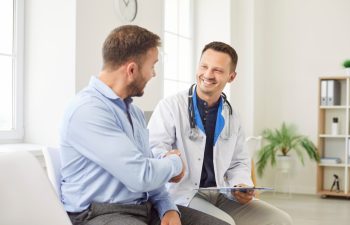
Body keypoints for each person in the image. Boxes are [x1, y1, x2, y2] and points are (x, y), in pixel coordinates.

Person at [59, 26, 230, 225]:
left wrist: (167, 207)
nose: (154, 74)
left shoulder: (134, 112)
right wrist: (175, 163)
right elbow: (141, 175)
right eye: (152, 66)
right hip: (99, 214)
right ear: (132, 70)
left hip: (143, 207)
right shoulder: (88, 110)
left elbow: (149, 172)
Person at [148, 41, 293, 225]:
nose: (208, 74)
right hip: (184, 194)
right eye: (204, 66)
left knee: (279, 220)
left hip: (221, 192)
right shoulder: (171, 106)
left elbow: (239, 161)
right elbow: (154, 149)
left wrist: (240, 185)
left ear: (231, 76)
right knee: (225, 223)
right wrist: (168, 158)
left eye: (217, 70)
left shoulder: (231, 114)